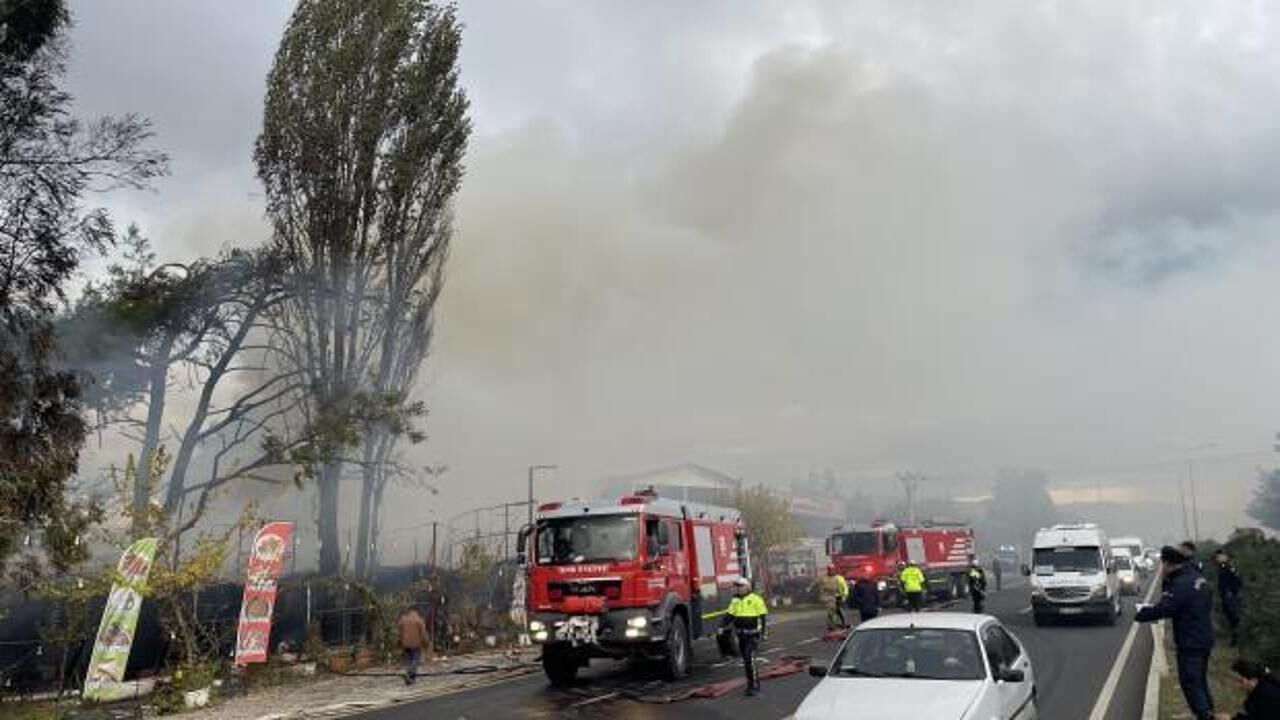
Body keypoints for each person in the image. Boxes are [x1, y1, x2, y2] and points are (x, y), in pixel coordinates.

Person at [1136, 546, 1216, 720]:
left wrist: (1142, 614)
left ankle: (1205, 715)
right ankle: (1210, 712)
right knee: (1200, 681)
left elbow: (1166, 608)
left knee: (1191, 683)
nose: (1162, 569)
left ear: (1168, 564)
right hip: (1204, 637)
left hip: (1190, 640)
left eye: (1163, 565)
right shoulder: (1197, 577)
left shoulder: (1180, 584)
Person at [721, 576, 768, 696]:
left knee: (749, 659)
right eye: (737, 586)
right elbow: (729, 615)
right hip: (740, 635)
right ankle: (750, 684)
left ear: (747, 587)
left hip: (753, 635)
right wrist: (721, 627)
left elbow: (763, 617)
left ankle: (754, 686)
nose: (738, 588)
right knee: (746, 661)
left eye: (740, 586)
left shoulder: (756, 599)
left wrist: (764, 633)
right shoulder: (735, 600)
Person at [1213, 549, 1244, 647]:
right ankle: (1234, 638)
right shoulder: (1221, 567)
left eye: (1220, 556)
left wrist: (1232, 591)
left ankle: (1237, 639)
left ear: (1226, 557)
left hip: (1231, 597)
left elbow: (1238, 580)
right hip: (1225, 596)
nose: (1218, 558)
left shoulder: (1230, 567)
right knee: (1230, 618)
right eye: (1217, 557)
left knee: (1234, 618)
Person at [396, 606, 430, 685]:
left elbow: (399, 632)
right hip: (416, 644)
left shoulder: (403, 620)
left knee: (408, 660)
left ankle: (410, 677)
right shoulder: (419, 620)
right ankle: (410, 673)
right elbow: (423, 633)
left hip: (405, 644)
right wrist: (426, 642)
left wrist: (398, 642)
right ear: (416, 612)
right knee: (415, 660)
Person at [816, 566, 849, 630]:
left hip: (839, 596)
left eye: (831, 570)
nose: (830, 571)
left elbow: (844, 587)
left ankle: (843, 623)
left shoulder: (839, 578)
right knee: (831, 610)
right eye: (829, 570)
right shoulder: (827, 578)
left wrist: (844, 595)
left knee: (838, 610)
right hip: (831, 597)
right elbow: (823, 587)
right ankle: (831, 624)